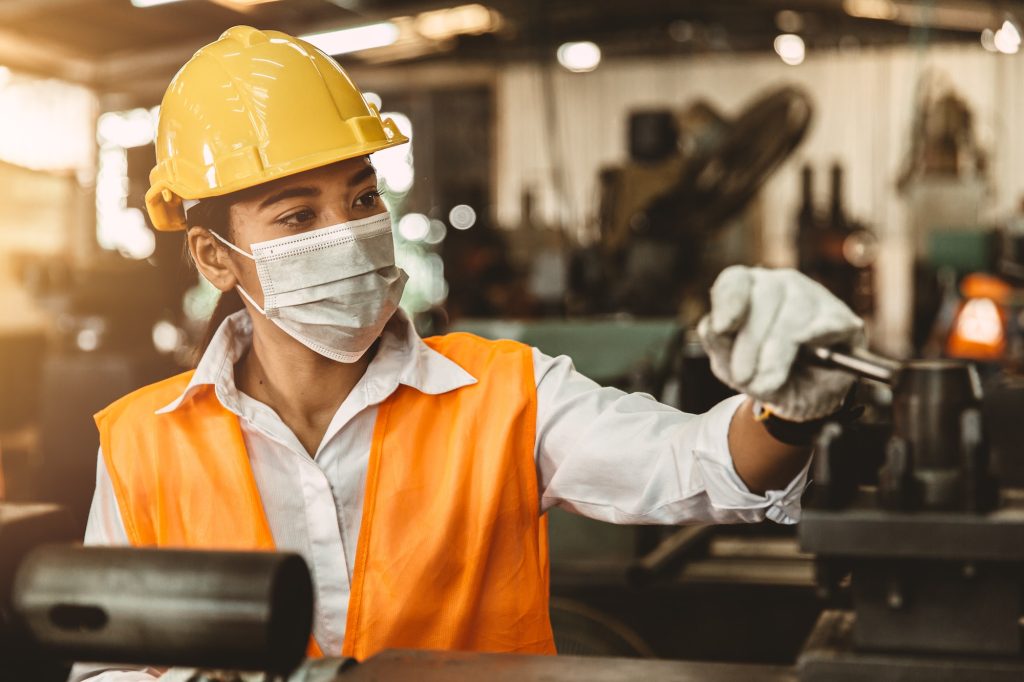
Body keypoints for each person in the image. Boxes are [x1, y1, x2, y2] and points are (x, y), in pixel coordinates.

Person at [73, 26, 863, 681]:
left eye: (359, 195)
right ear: (215, 258)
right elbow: (103, 668)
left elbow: (698, 465)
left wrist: (790, 406)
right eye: (295, 216)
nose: (345, 230)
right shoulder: (144, 444)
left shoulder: (506, 396)